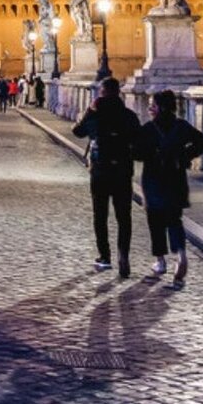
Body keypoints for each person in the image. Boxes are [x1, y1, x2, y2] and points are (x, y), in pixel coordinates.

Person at [133, 90, 203, 289]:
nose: (150, 108)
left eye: (153, 105)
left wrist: (149, 153)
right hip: (176, 178)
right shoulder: (181, 126)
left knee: (155, 220)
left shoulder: (149, 129)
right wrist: (184, 155)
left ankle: (160, 261)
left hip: (153, 179)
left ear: (161, 108)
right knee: (174, 219)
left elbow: (137, 153)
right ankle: (180, 253)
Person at [73, 77, 142, 276]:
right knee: (124, 216)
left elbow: (77, 131)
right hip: (122, 169)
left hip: (100, 169)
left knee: (100, 215)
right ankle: (123, 255)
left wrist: (89, 111)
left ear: (102, 93)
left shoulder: (96, 115)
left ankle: (105, 256)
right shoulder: (128, 115)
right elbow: (138, 140)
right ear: (118, 93)